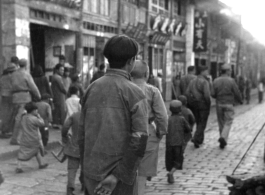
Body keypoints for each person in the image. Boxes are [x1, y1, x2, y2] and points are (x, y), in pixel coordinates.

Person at [78, 35, 149, 195]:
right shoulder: (135, 93)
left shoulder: (91, 88)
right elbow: (140, 140)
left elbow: (81, 135)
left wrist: (84, 171)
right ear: (131, 61)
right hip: (119, 179)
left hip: (92, 173)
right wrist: (117, 176)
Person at [131, 60, 168, 195]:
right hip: (147, 132)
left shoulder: (122, 88)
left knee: (126, 169)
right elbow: (162, 116)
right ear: (146, 74)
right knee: (142, 172)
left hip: (125, 132)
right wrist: (161, 132)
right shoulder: (152, 91)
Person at [10, 59, 41, 145]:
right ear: (26, 65)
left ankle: (17, 137)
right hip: (24, 97)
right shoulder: (26, 74)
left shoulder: (13, 74)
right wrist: (38, 95)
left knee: (16, 118)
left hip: (15, 97)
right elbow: (33, 86)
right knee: (20, 118)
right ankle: (15, 139)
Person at [212, 64, 242, 149]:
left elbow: (213, 94)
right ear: (227, 71)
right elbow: (236, 92)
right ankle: (223, 137)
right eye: (230, 70)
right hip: (229, 103)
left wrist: (218, 97)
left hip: (219, 104)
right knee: (228, 121)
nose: (231, 71)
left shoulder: (216, 80)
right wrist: (240, 100)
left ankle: (222, 140)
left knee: (221, 122)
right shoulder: (231, 80)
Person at [16, 102, 48, 173]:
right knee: (36, 151)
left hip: (24, 139)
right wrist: (39, 116)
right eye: (36, 110)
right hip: (33, 138)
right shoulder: (34, 119)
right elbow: (42, 124)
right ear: (33, 110)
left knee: (22, 152)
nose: (37, 111)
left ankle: (19, 167)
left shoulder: (24, 117)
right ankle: (41, 164)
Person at [166, 100, 191, 184]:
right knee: (178, 160)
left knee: (170, 160)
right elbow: (188, 129)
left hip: (169, 143)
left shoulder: (168, 119)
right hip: (178, 143)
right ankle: (171, 173)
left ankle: (170, 173)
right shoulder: (182, 119)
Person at [185, 65, 211, 148]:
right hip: (203, 105)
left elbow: (187, 92)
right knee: (202, 123)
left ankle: (200, 139)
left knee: (198, 121)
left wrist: (191, 101)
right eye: (206, 71)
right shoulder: (204, 82)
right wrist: (208, 103)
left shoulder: (193, 81)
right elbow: (207, 95)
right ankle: (196, 138)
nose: (207, 73)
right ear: (202, 72)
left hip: (194, 105)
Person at [62, 111, 82, 195]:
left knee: (72, 169)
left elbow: (65, 126)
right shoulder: (94, 114)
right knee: (86, 169)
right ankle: (85, 185)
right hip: (88, 149)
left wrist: (64, 137)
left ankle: (70, 189)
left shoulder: (75, 115)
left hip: (74, 147)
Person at [0, 63, 17, 138]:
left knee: (4, 114)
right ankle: (9, 131)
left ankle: (4, 130)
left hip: (3, 96)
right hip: (11, 96)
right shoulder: (13, 77)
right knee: (11, 114)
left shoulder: (2, 77)